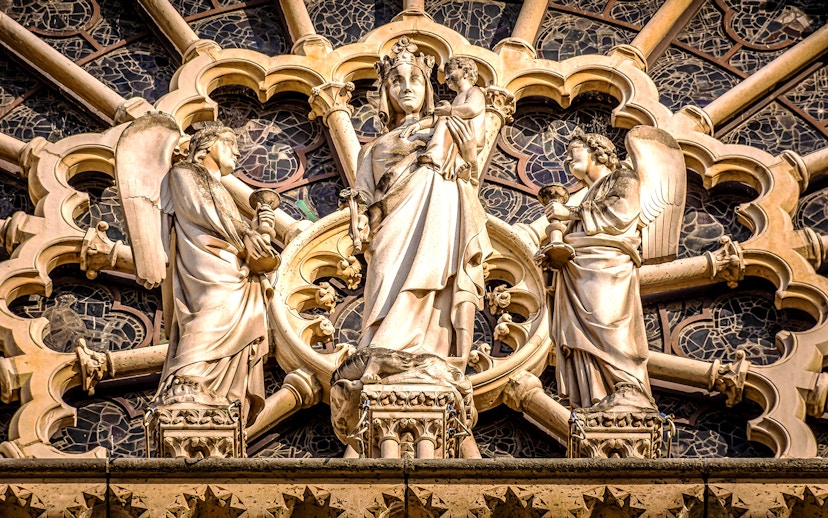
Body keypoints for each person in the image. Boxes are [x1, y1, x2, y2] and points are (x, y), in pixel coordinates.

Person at [349, 36, 491, 370]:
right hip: (390, 223)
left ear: (428, 87)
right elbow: (364, 196)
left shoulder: (446, 120)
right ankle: (381, 342)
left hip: (438, 200)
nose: (406, 88)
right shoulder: (371, 149)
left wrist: (468, 154)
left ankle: (430, 347)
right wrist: (358, 219)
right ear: (386, 93)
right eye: (396, 81)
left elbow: (467, 167)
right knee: (384, 274)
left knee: (433, 272)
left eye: (415, 79)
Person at [156, 123, 279, 425]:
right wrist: (247, 235)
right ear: (207, 146)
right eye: (229, 143)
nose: (237, 151)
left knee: (233, 314)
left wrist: (254, 237)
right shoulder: (182, 174)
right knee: (211, 309)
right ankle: (189, 376)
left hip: (231, 263)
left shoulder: (219, 187)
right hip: (206, 258)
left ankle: (218, 389)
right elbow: (202, 212)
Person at [545, 130, 654, 410]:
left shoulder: (623, 178)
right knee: (583, 335)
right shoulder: (587, 196)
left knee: (608, 322)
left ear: (597, 151)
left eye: (575, 149)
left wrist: (568, 213)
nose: (567, 157)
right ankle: (595, 393)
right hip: (578, 270)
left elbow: (620, 212)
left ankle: (626, 384)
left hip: (607, 265)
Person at [414, 56, 487, 183]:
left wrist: (450, 110)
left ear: (465, 72)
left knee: (444, 120)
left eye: (450, 71)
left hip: (468, 134)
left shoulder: (474, 91)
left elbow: (472, 108)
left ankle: (435, 154)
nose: (446, 77)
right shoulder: (457, 98)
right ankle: (451, 159)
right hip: (456, 133)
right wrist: (419, 125)